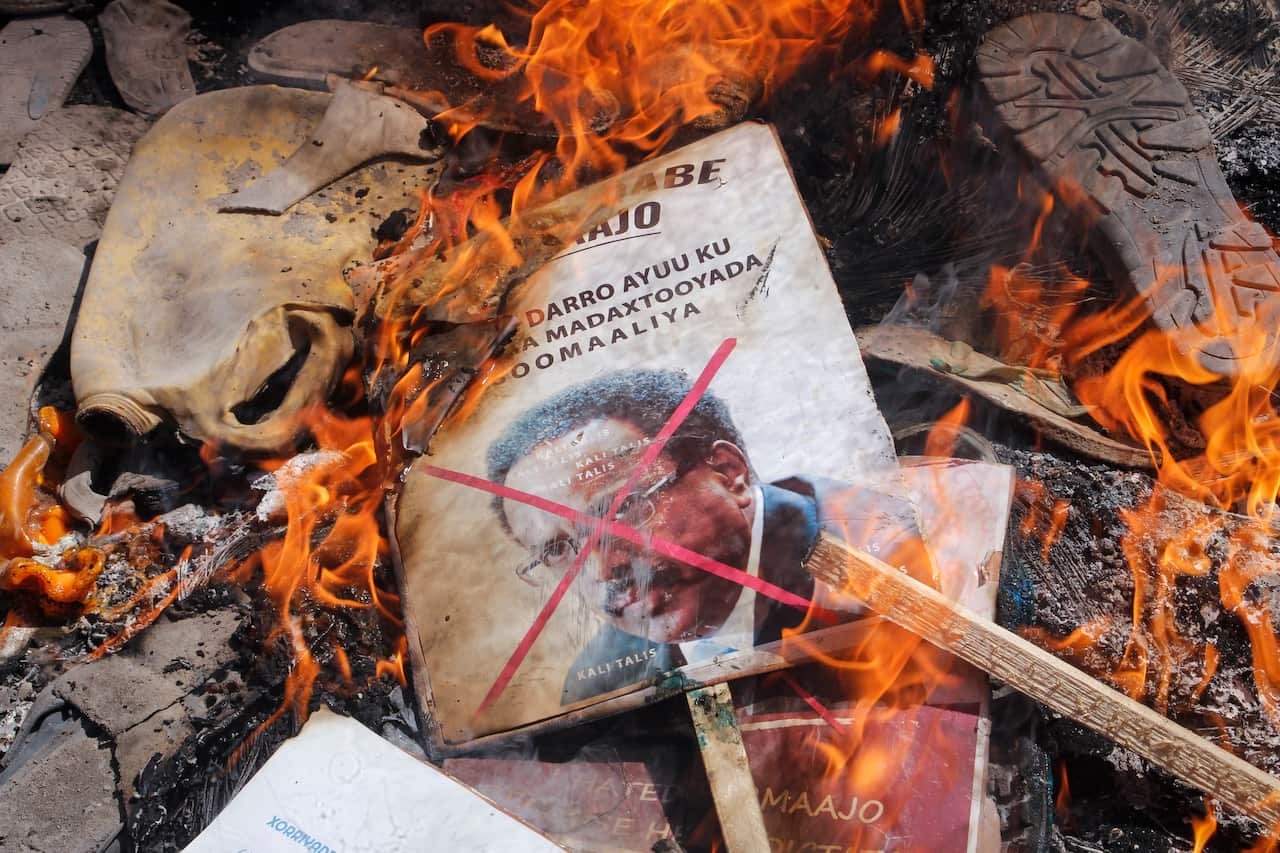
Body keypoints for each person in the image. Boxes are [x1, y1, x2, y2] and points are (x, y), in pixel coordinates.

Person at [486, 368, 922, 704]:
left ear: (730, 475)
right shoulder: (601, 684)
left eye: (620, 511)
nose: (603, 569)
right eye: (560, 549)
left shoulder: (898, 561)